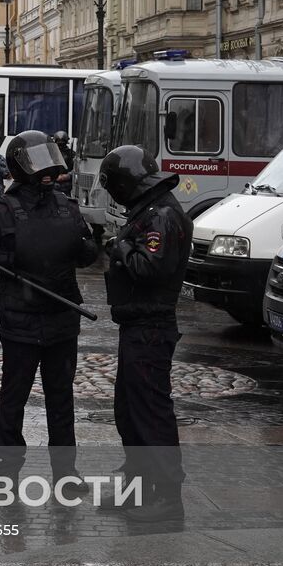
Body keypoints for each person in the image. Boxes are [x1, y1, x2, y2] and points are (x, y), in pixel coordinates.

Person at [0, 130, 98, 489]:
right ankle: (8, 470)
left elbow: (88, 254)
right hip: (20, 319)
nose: (47, 171)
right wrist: (16, 260)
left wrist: (82, 245)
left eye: (49, 161)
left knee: (61, 397)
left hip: (61, 318)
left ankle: (65, 472)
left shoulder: (66, 207)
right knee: (14, 395)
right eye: (38, 162)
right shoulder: (1, 210)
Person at [99, 145, 190, 522]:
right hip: (137, 325)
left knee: (151, 414)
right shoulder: (150, 210)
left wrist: (120, 248)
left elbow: (151, 268)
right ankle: (137, 488)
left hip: (150, 328)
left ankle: (167, 497)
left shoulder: (161, 216)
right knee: (130, 412)